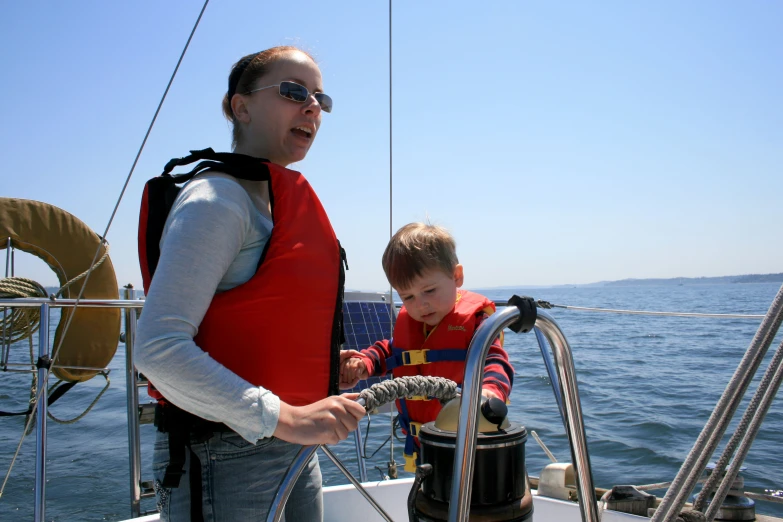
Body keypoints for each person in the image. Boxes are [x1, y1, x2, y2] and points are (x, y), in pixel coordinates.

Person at [135, 46, 365, 522]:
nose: (312, 107)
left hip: (293, 447)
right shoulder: (218, 200)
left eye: (320, 98)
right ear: (241, 107)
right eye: (293, 91)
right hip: (228, 453)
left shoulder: (273, 201)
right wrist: (288, 417)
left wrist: (319, 367)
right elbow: (156, 347)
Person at [340, 222, 514, 472]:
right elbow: (391, 351)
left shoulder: (476, 323)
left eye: (429, 291)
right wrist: (365, 362)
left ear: (456, 277)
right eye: (407, 297)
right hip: (424, 446)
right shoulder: (413, 324)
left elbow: (495, 361)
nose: (420, 305)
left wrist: (490, 392)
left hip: (467, 445)